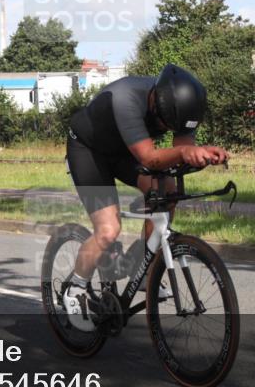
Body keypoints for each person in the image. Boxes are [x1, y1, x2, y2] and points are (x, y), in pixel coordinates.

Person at [62, 64, 228, 330]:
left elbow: (182, 151)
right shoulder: (126, 97)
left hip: (124, 151)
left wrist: (201, 155)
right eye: (163, 123)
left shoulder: (181, 105)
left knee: (168, 192)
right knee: (108, 229)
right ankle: (76, 287)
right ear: (154, 102)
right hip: (89, 150)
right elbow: (150, 158)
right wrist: (185, 153)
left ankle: (143, 270)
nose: (165, 128)